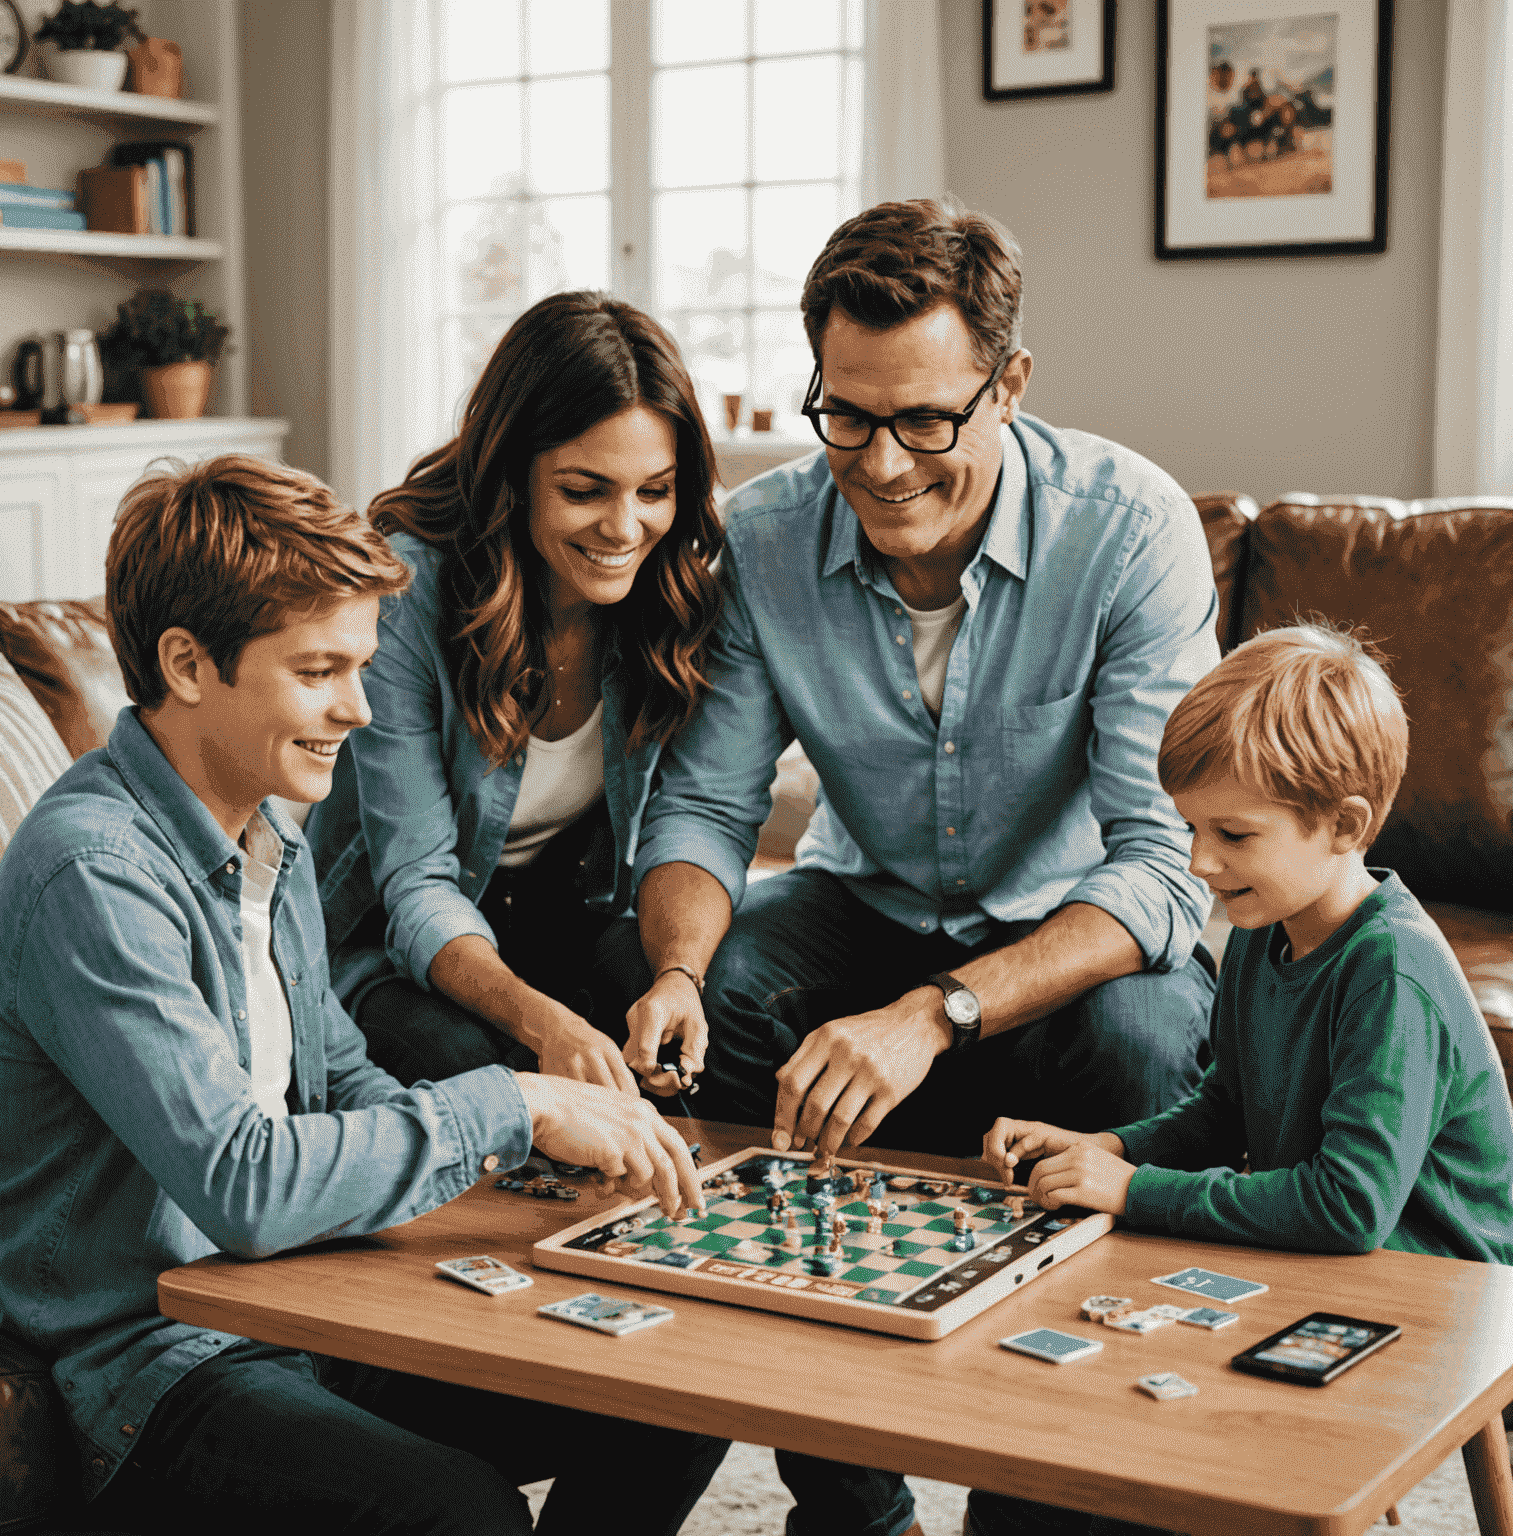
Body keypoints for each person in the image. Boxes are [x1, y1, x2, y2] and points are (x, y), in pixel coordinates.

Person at [614, 194, 1221, 1536]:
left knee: (1141, 1042)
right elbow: (707, 809)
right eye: (848, 414)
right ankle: (846, 1487)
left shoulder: (1129, 531)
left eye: (926, 421)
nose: (883, 463)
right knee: (723, 1012)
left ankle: (1051, 1484)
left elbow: (1159, 870)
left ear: (1009, 386)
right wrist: (674, 970)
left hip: (1072, 934)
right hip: (863, 901)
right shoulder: (762, 543)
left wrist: (934, 1016)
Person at [0, 455, 726, 1534]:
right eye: (320, 671)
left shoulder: (264, 834)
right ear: (189, 666)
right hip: (144, 1359)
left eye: (363, 666)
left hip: (298, 1304)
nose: (361, 708)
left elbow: (334, 1080)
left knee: (678, 1389)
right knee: (459, 1511)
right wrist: (511, 1104)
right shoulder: (91, 874)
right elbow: (242, 1179)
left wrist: (535, 1155)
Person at [972, 623, 1513, 1536]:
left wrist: (1137, 1191)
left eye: (1232, 833)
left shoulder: (1389, 973)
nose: (1197, 862)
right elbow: (1224, 1104)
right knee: (1033, 1469)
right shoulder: (1267, 929)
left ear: (1344, 825)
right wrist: (1107, 1147)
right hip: (1330, 1261)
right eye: (1189, 827)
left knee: (1125, 1495)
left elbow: (1347, 1208)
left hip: (1431, 1298)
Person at [307, 291, 723, 1090]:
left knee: (711, 1004)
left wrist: (676, 978)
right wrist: (547, 1024)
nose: (625, 528)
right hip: (393, 936)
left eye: (654, 490)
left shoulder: (672, 593)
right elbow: (418, 884)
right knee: (481, 1070)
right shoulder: (405, 595)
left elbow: (687, 821)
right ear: (513, 475)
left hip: (565, 914)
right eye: (584, 490)